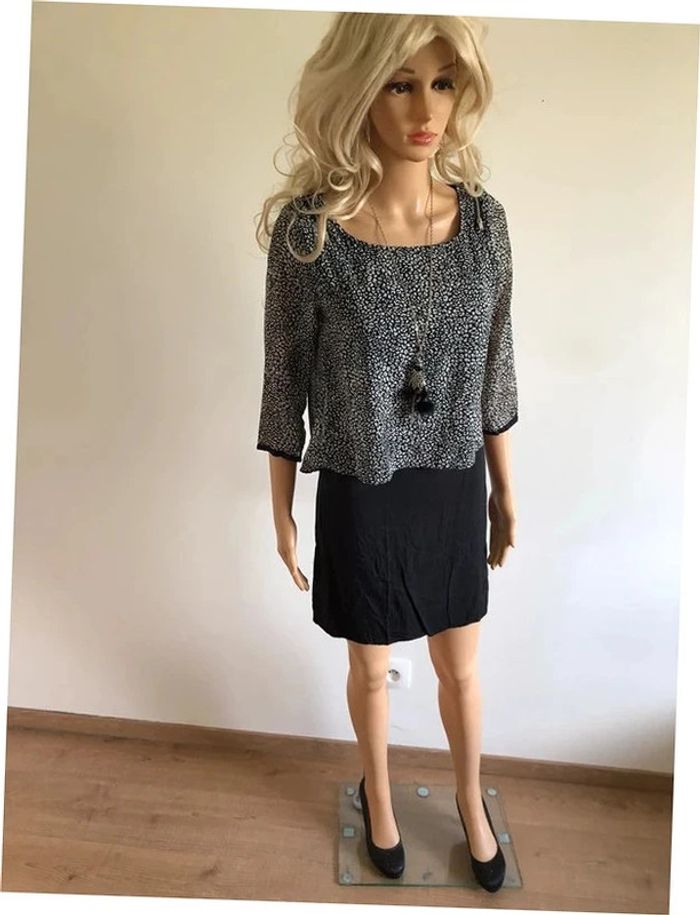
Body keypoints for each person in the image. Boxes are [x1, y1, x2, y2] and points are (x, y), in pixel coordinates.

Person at [255, 12, 517, 894]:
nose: (425, 109)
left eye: (442, 83)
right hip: (362, 482)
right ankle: (379, 795)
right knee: (371, 665)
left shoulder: (485, 225)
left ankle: (472, 798)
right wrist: (282, 509)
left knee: (461, 664)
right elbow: (283, 375)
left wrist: (505, 491)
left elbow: (496, 364)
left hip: (453, 478)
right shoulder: (312, 233)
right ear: (361, 91)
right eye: (401, 84)